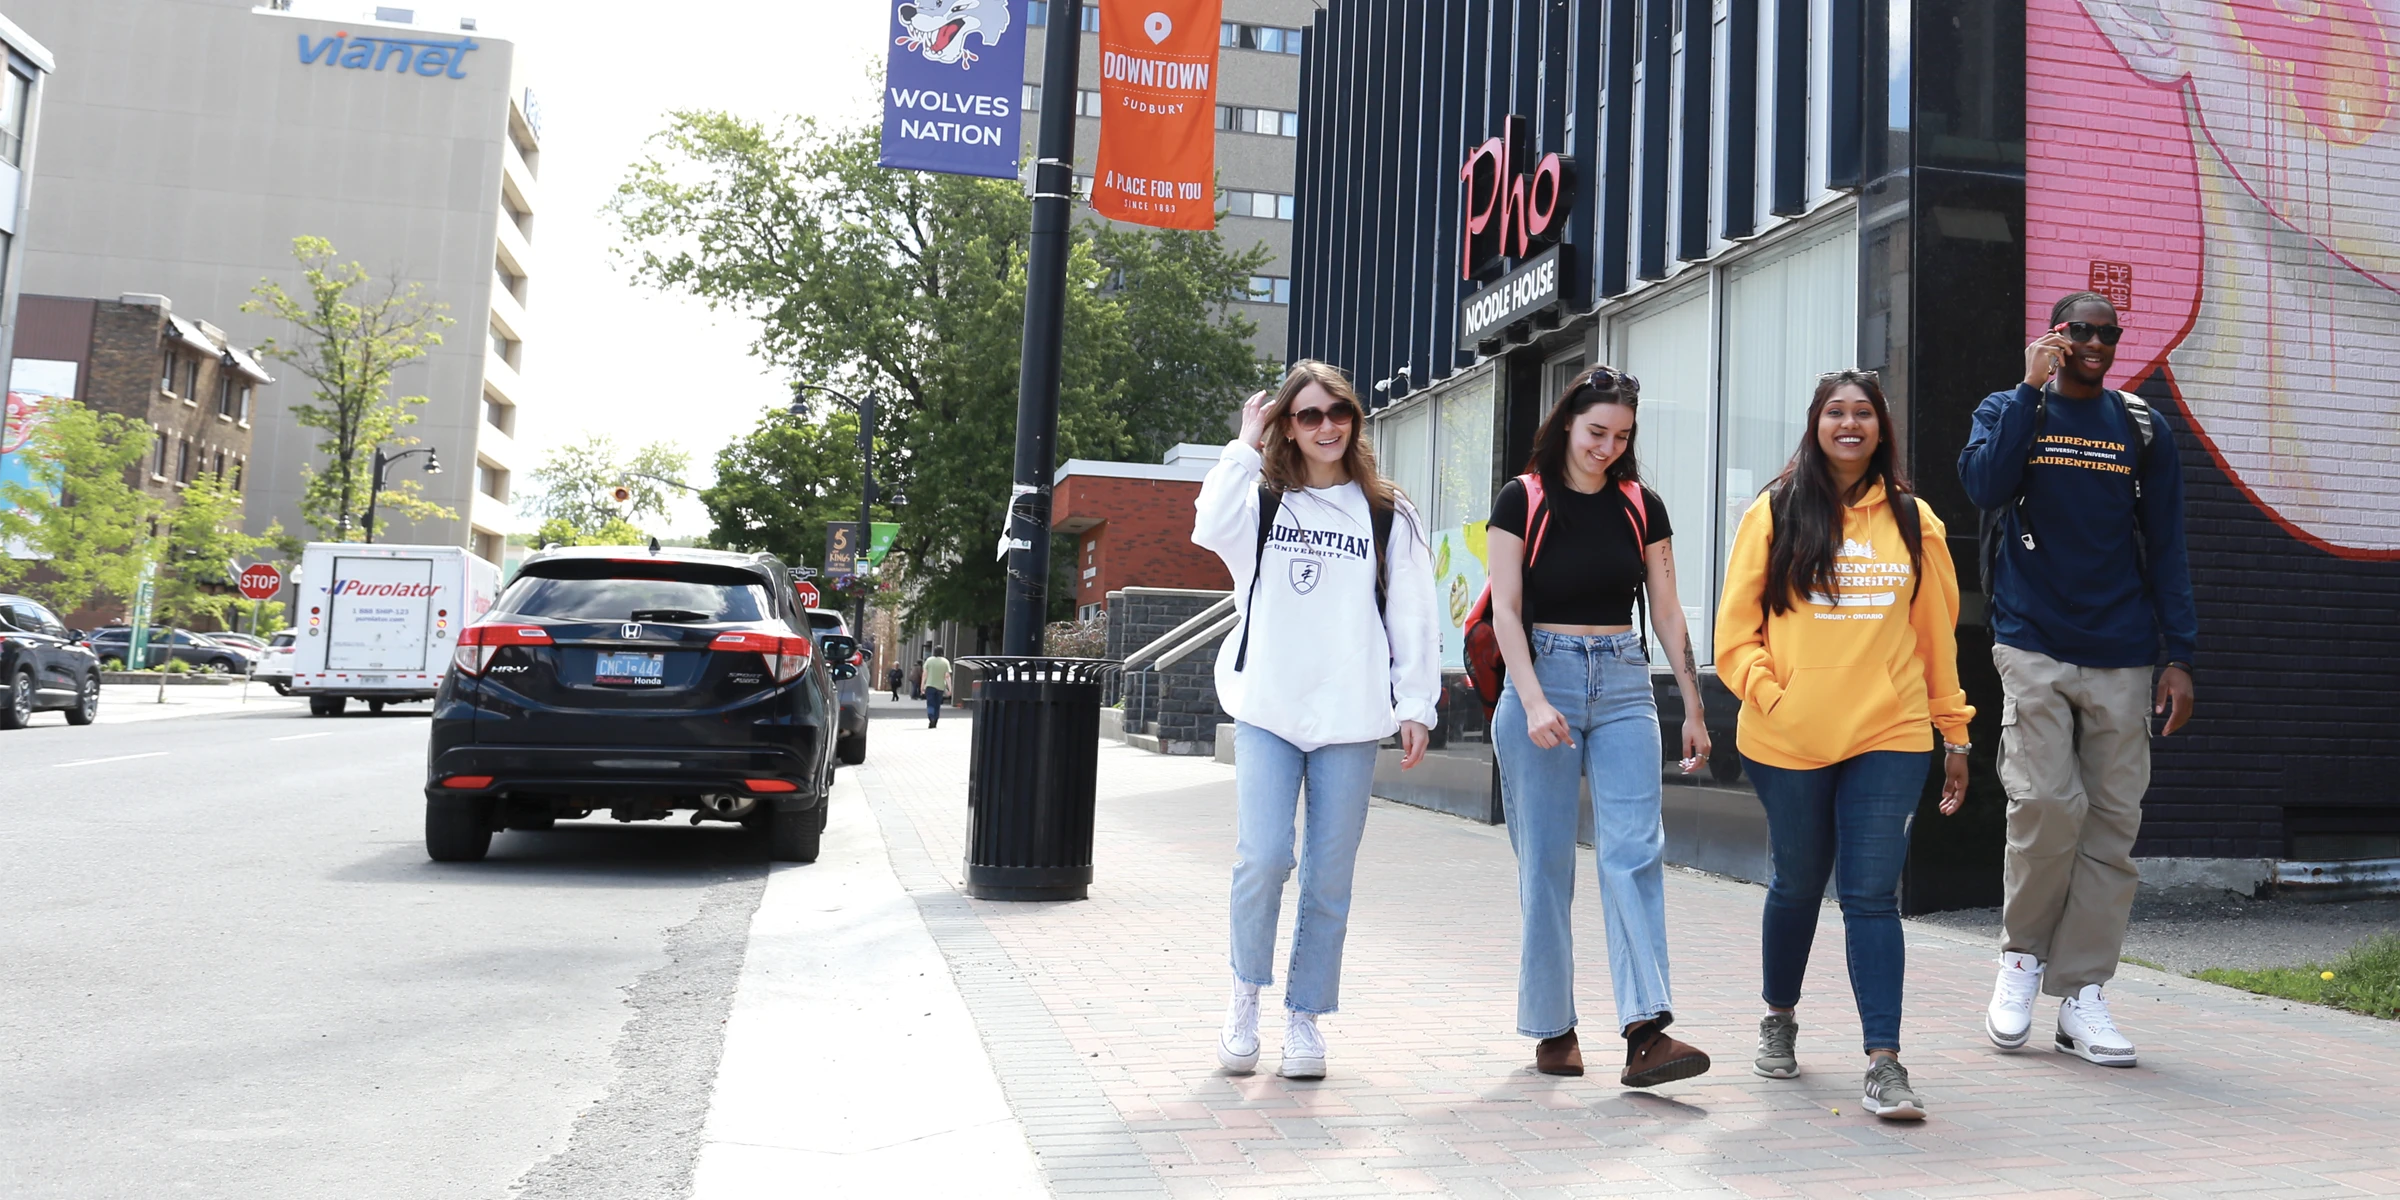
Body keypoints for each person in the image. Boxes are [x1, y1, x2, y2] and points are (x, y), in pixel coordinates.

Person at [1716, 368, 1974, 1120]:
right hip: (1787, 738)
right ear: (1816, 423)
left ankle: (1884, 1063)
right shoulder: (1774, 510)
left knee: (1870, 895)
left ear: (1881, 427)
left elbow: (1936, 639)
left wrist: (1954, 731)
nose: (1850, 423)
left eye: (1864, 412)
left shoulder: (1914, 521)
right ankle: (1779, 1016)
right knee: (1797, 882)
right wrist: (1774, 696)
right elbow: (1736, 633)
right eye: (1836, 411)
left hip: (1889, 732)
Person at [1959, 292, 2197, 1068]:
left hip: (2122, 649)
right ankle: (2021, 961)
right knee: (2043, 804)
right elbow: (1984, 486)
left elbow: (2167, 543)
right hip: (2032, 640)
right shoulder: (2009, 408)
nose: (2096, 343)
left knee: (2111, 824)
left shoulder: (2141, 427)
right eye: (2081, 331)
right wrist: (2030, 389)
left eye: (2108, 333)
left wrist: (2181, 654)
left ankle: (2082, 994)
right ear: (2057, 335)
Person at [1191, 359, 1441, 1081]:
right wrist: (1243, 443)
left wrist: (1415, 703)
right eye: (1308, 415)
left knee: (1329, 876)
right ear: (1288, 426)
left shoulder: (1387, 511)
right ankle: (1244, 997)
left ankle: (1304, 1017)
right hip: (1268, 708)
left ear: (1354, 420)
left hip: (1351, 717)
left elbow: (1414, 612)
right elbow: (1208, 526)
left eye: (1339, 412)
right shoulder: (1263, 502)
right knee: (1265, 857)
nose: (1326, 426)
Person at [1484, 366, 1715, 1088]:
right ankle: (1553, 1027)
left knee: (1634, 853)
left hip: (1622, 682)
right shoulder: (1522, 498)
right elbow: (1505, 609)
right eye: (1595, 432)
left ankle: (1646, 1032)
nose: (1607, 447)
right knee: (1547, 864)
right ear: (1567, 424)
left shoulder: (1642, 505)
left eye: (1621, 436)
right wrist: (1532, 700)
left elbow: (1667, 609)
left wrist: (1694, 705)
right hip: (1542, 676)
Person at [920, 649, 953, 728]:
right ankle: (935, 720)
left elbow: (925, 674)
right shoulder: (945, 662)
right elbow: (947, 676)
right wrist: (950, 688)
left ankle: (931, 717)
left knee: (930, 703)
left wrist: (922, 686)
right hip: (940, 687)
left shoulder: (929, 660)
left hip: (930, 685)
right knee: (937, 705)